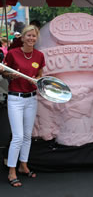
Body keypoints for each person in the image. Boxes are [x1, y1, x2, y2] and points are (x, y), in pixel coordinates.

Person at [2, 25, 45, 187]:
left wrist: (38, 78)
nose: (31, 38)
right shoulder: (13, 54)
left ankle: (23, 165)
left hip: (31, 99)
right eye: (28, 35)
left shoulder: (39, 55)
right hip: (15, 99)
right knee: (18, 136)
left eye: (34, 36)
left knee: (27, 135)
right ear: (22, 37)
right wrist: (8, 74)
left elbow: (40, 74)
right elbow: (3, 72)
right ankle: (11, 171)